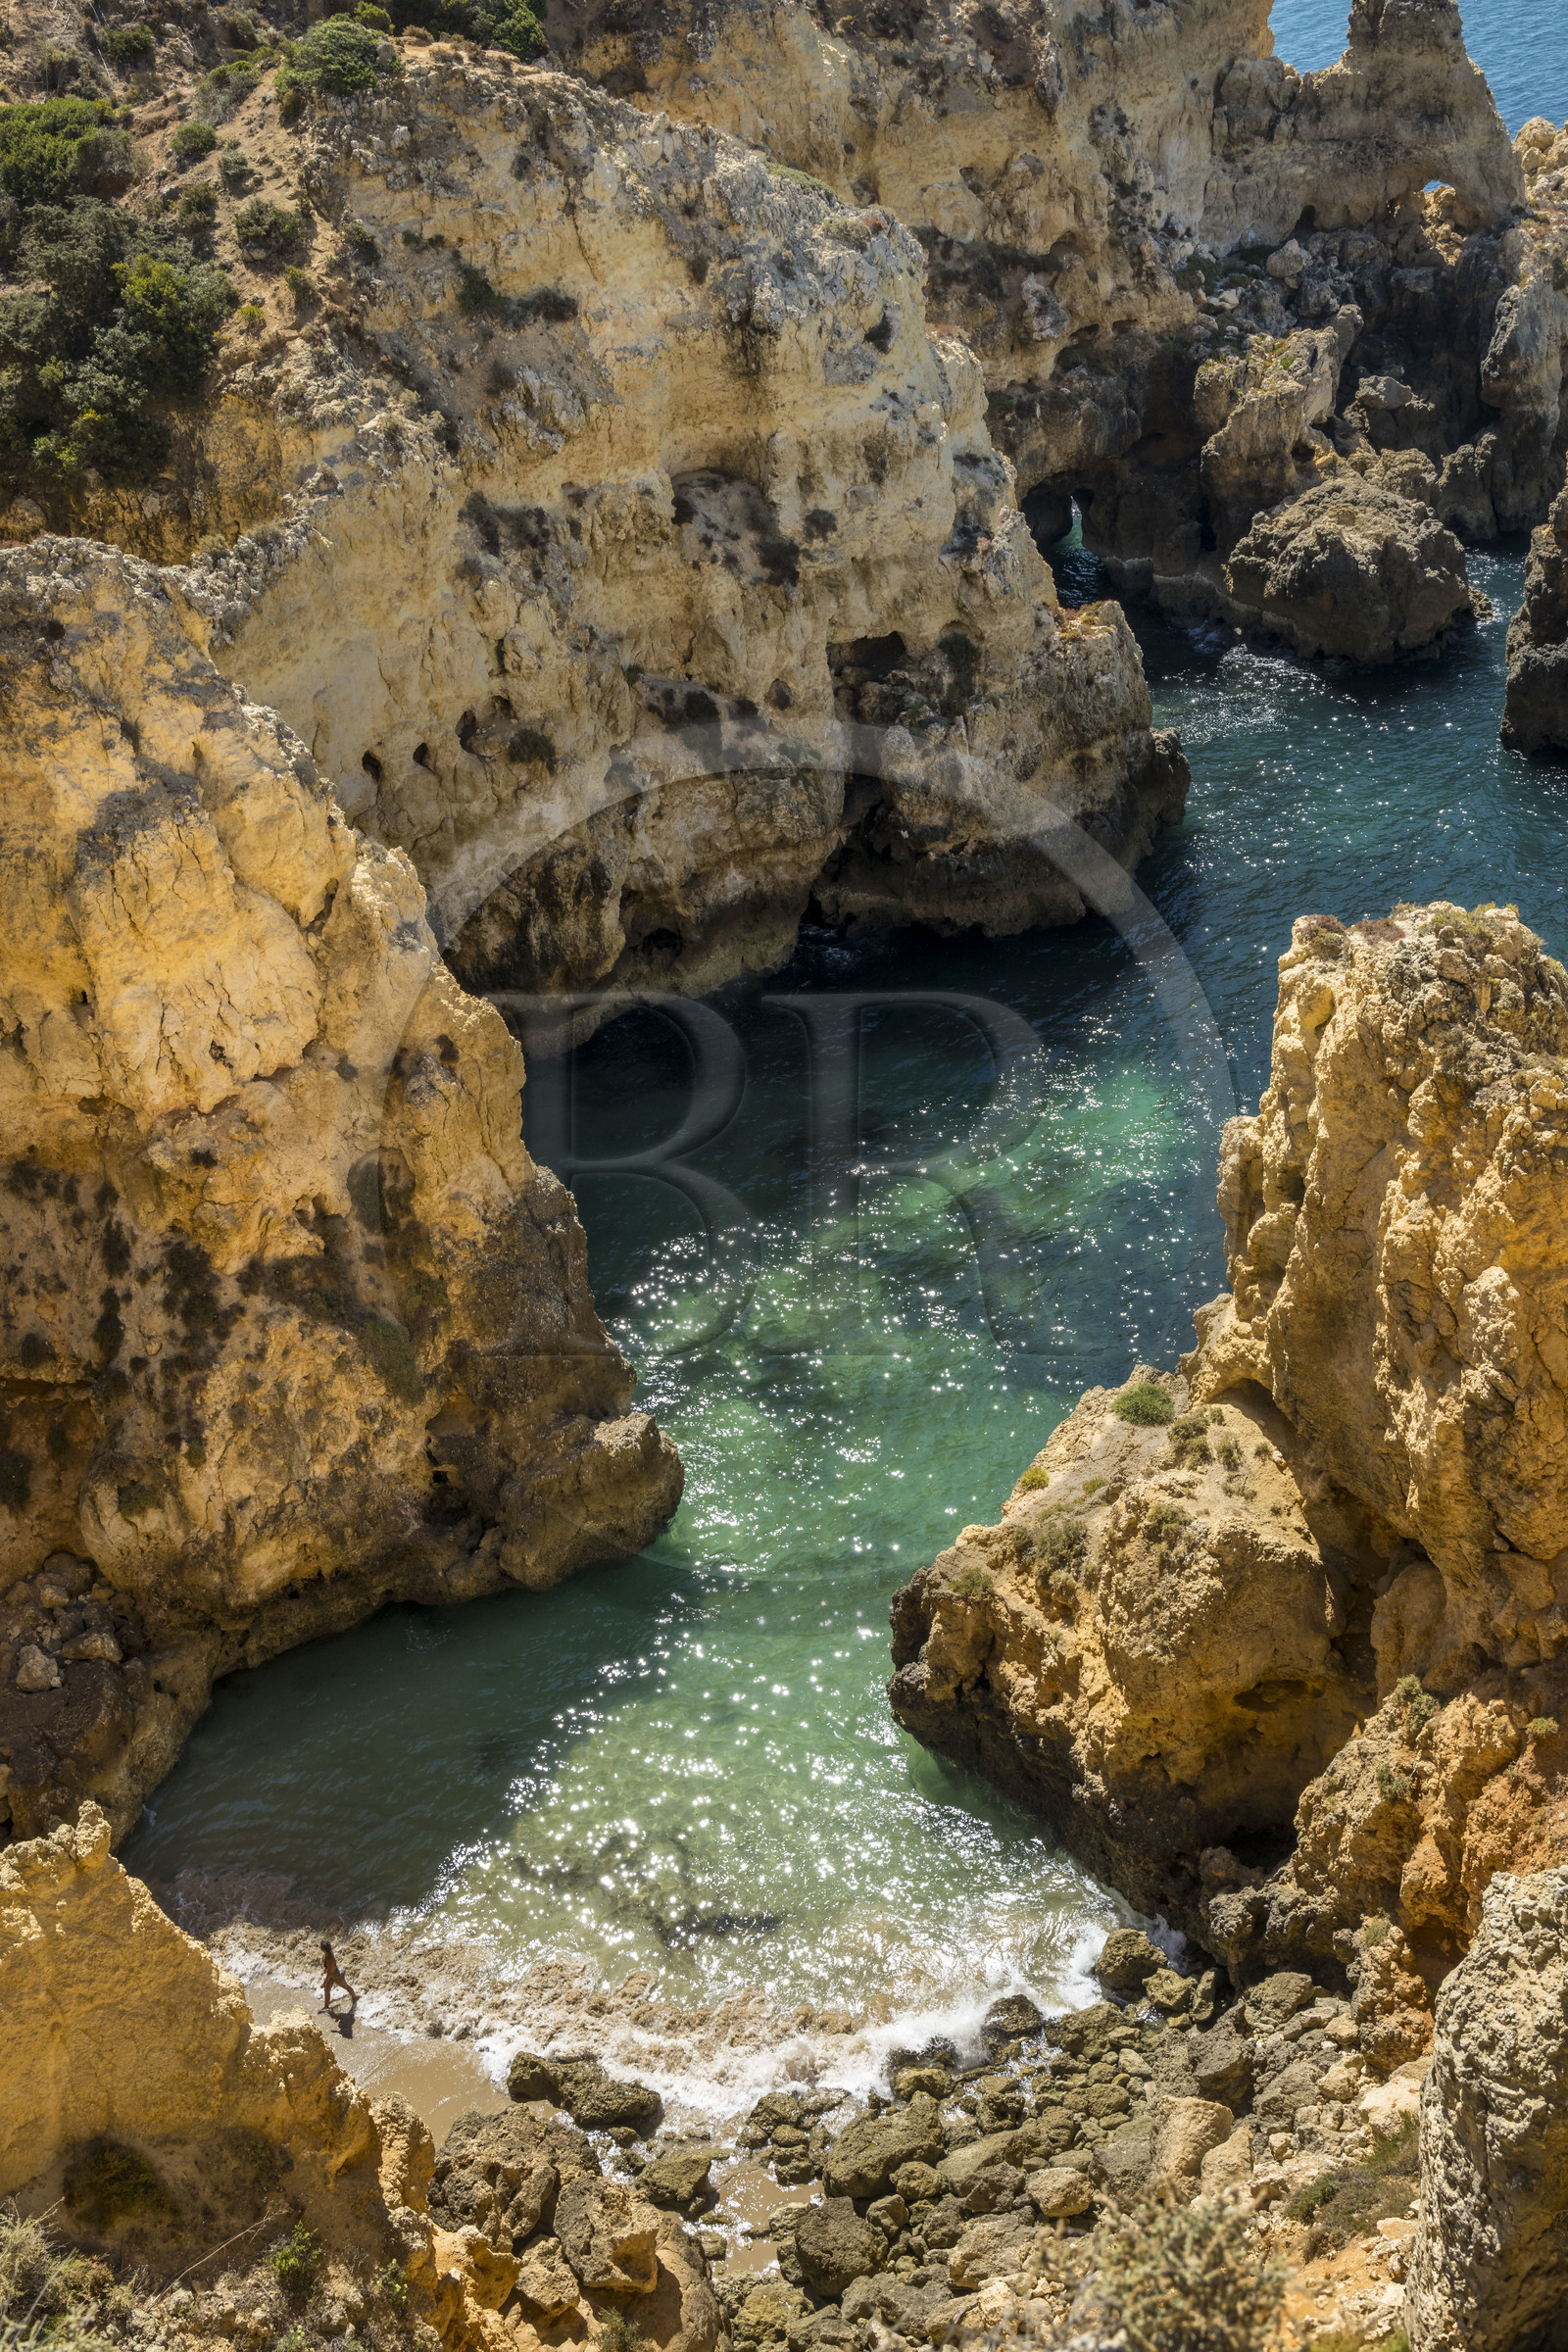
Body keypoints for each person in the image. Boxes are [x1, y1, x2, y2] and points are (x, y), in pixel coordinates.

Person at [319, 1939, 358, 2011]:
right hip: (334, 1974)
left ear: (323, 1949)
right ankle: (326, 2006)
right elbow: (330, 1968)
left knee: (346, 1987)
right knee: (326, 1990)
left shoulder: (329, 1959)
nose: (319, 1947)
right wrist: (325, 1967)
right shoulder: (328, 1953)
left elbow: (329, 1974)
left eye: (320, 1946)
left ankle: (355, 1997)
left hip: (338, 1976)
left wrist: (324, 1983)